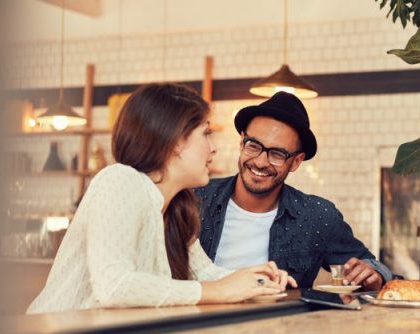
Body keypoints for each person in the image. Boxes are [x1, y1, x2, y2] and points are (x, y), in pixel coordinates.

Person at [28, 83, 289, 314]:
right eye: (205, 133)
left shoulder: (176, 206)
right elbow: (115, 286)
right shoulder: (119, 180)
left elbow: (205, 273)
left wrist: (261, 280)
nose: (213, 147)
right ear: (176, 140)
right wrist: (216, 291)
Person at [195, 92, 391, 291]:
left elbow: (371, 267)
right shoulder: (194, 199)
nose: (260, 162)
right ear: (241, 142)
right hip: (198, 321)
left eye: (277, 154)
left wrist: (372, 275)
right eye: (253, 146)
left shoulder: (316, 216)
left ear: (296, 162)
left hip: (281, 322)